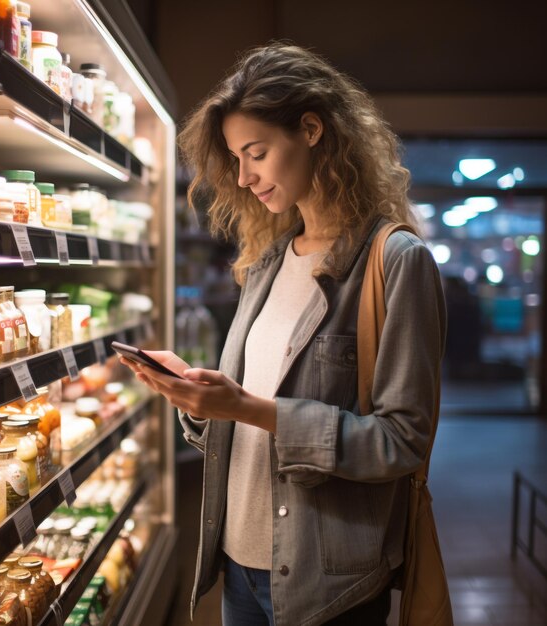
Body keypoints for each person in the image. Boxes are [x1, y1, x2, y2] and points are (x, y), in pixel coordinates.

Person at [119, 43, 447, 626]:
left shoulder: (396, 262)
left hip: (327, 581)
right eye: (235, 159)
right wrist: (198, 398)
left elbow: (403, 440)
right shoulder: (268, 263)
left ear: (313, 129)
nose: (244, 178)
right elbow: (242, 414)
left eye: (257, 153)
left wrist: (248, 406)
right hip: (237, 563)